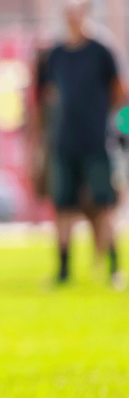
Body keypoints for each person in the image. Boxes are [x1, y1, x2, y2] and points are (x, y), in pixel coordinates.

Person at [38, 0, 126, 288]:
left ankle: (114, 267)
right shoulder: (56, 55)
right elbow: (48, 96)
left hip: (96, 141)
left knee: (103, 205)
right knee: (62, 206)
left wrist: (101, 119)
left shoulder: (102, 50)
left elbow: (119, 92)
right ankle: (63, 272)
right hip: (64, 142)